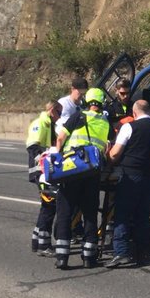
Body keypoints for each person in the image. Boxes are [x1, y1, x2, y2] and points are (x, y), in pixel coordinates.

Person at [53, 87, 111, 269]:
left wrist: (58, 157)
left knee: (65, 212)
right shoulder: (105, 122)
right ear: (101, 103)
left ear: (88, 101)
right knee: (90, 213)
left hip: (72, 170)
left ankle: (62, 257)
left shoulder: (78, 117)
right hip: (92, 172)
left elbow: (60, 138)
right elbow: (106, 148)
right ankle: (89, 257)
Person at [105, 100, 150, 268]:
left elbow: (116, 153)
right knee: (142, 215)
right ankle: (142, 252)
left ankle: (121, 252)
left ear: (134, 113)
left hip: (131, 175)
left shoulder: (129, 127)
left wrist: (107, 159)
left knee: (123, 213)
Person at [26, 101, 62, 255]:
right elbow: (32, 147)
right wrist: (48, 155)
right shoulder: (40, 123)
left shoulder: (48, 125)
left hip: (44, 170)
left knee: (46, 206)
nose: (59, 117)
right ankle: (44, 246)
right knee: (49, 206)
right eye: (59, 113)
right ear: (52, 110)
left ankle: (36, 241)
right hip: (41, 171)